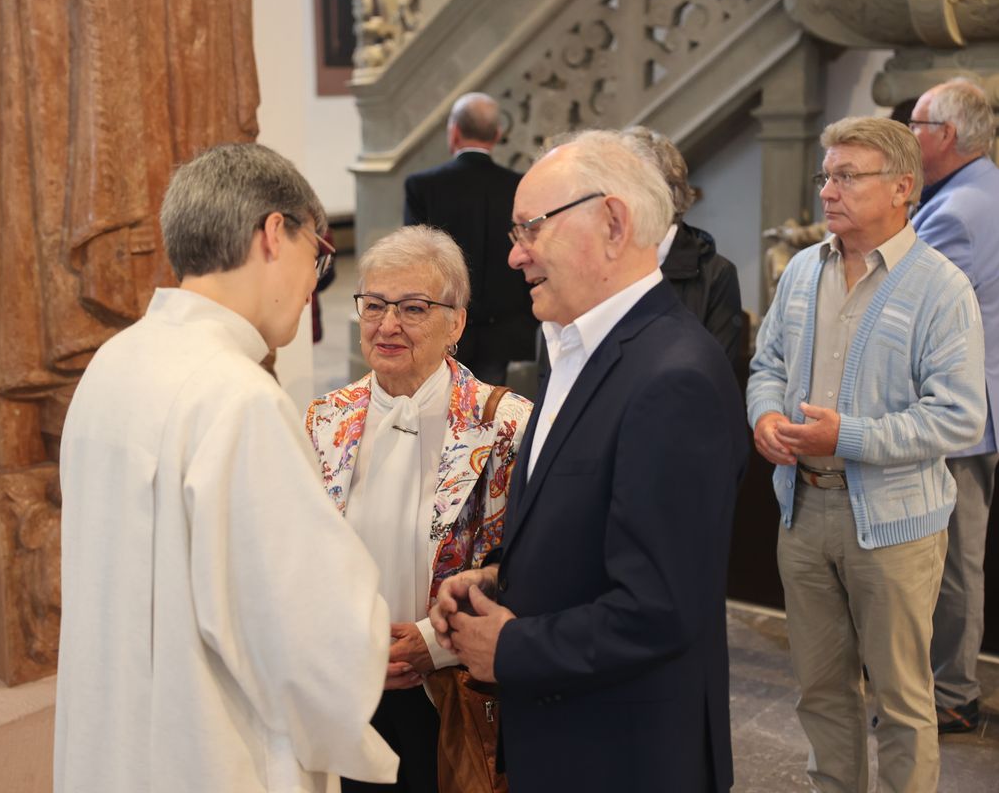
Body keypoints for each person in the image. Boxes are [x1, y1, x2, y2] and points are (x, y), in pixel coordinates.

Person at [53, 143, 399, 793]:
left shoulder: (114, 362)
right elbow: (313, 643)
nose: (312, 286)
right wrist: (379, 628)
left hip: (120, 748)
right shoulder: (237, 398)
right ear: (275, 233)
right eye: (317, 254)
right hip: (209, 755)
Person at [429, 130, 747, 792]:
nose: (514, 255)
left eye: (531, 229)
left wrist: (512, 646)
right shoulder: (577, 348)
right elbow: (591, 530)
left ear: (613, 222)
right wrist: (495, 582)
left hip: (624, 754)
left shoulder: (672, 377)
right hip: (570, 737)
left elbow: (660, 606)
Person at [747, 117, 986, 792]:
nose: (828, 190)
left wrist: (845, 437)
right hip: (802, 511)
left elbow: (959, 418)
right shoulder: (801, 271)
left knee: (905, 705)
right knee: (821, 693)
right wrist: (763, 414)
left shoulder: (942, 288)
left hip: (893, 527)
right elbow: (767, 364)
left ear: (902, 188)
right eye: (826, 174)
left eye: (847, 176)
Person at [306, 225, 533, 792]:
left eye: (413, 308)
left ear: (455, 322)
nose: (387, 325)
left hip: (456, 692)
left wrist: (434, 645)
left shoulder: (509, 425)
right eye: (375, 305)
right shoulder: (322, 420)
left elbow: (526, 566)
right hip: (349, 683)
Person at [909, 79, 999, 733]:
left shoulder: (959, 208)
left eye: (917, 124)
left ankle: (953, 693)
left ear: (945, 134)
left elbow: (915, 307)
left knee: (952, 559)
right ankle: (944, 684)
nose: (910, 135)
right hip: (977, 403)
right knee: (951, 554)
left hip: (958, 412)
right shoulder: (979, 190)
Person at [403, 92, 535, 385]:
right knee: (488, 411)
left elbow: (413, 260)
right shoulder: (518, 185)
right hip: (504, 329)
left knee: (439, 404)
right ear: (498, 134)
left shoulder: (423, 186)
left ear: (455, 132)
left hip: (442, 322)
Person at [621, 126, 744, 366]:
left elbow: (714, 373)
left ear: (670, 194)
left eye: (631, 187)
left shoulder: (717, 274)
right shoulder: (604, 262)